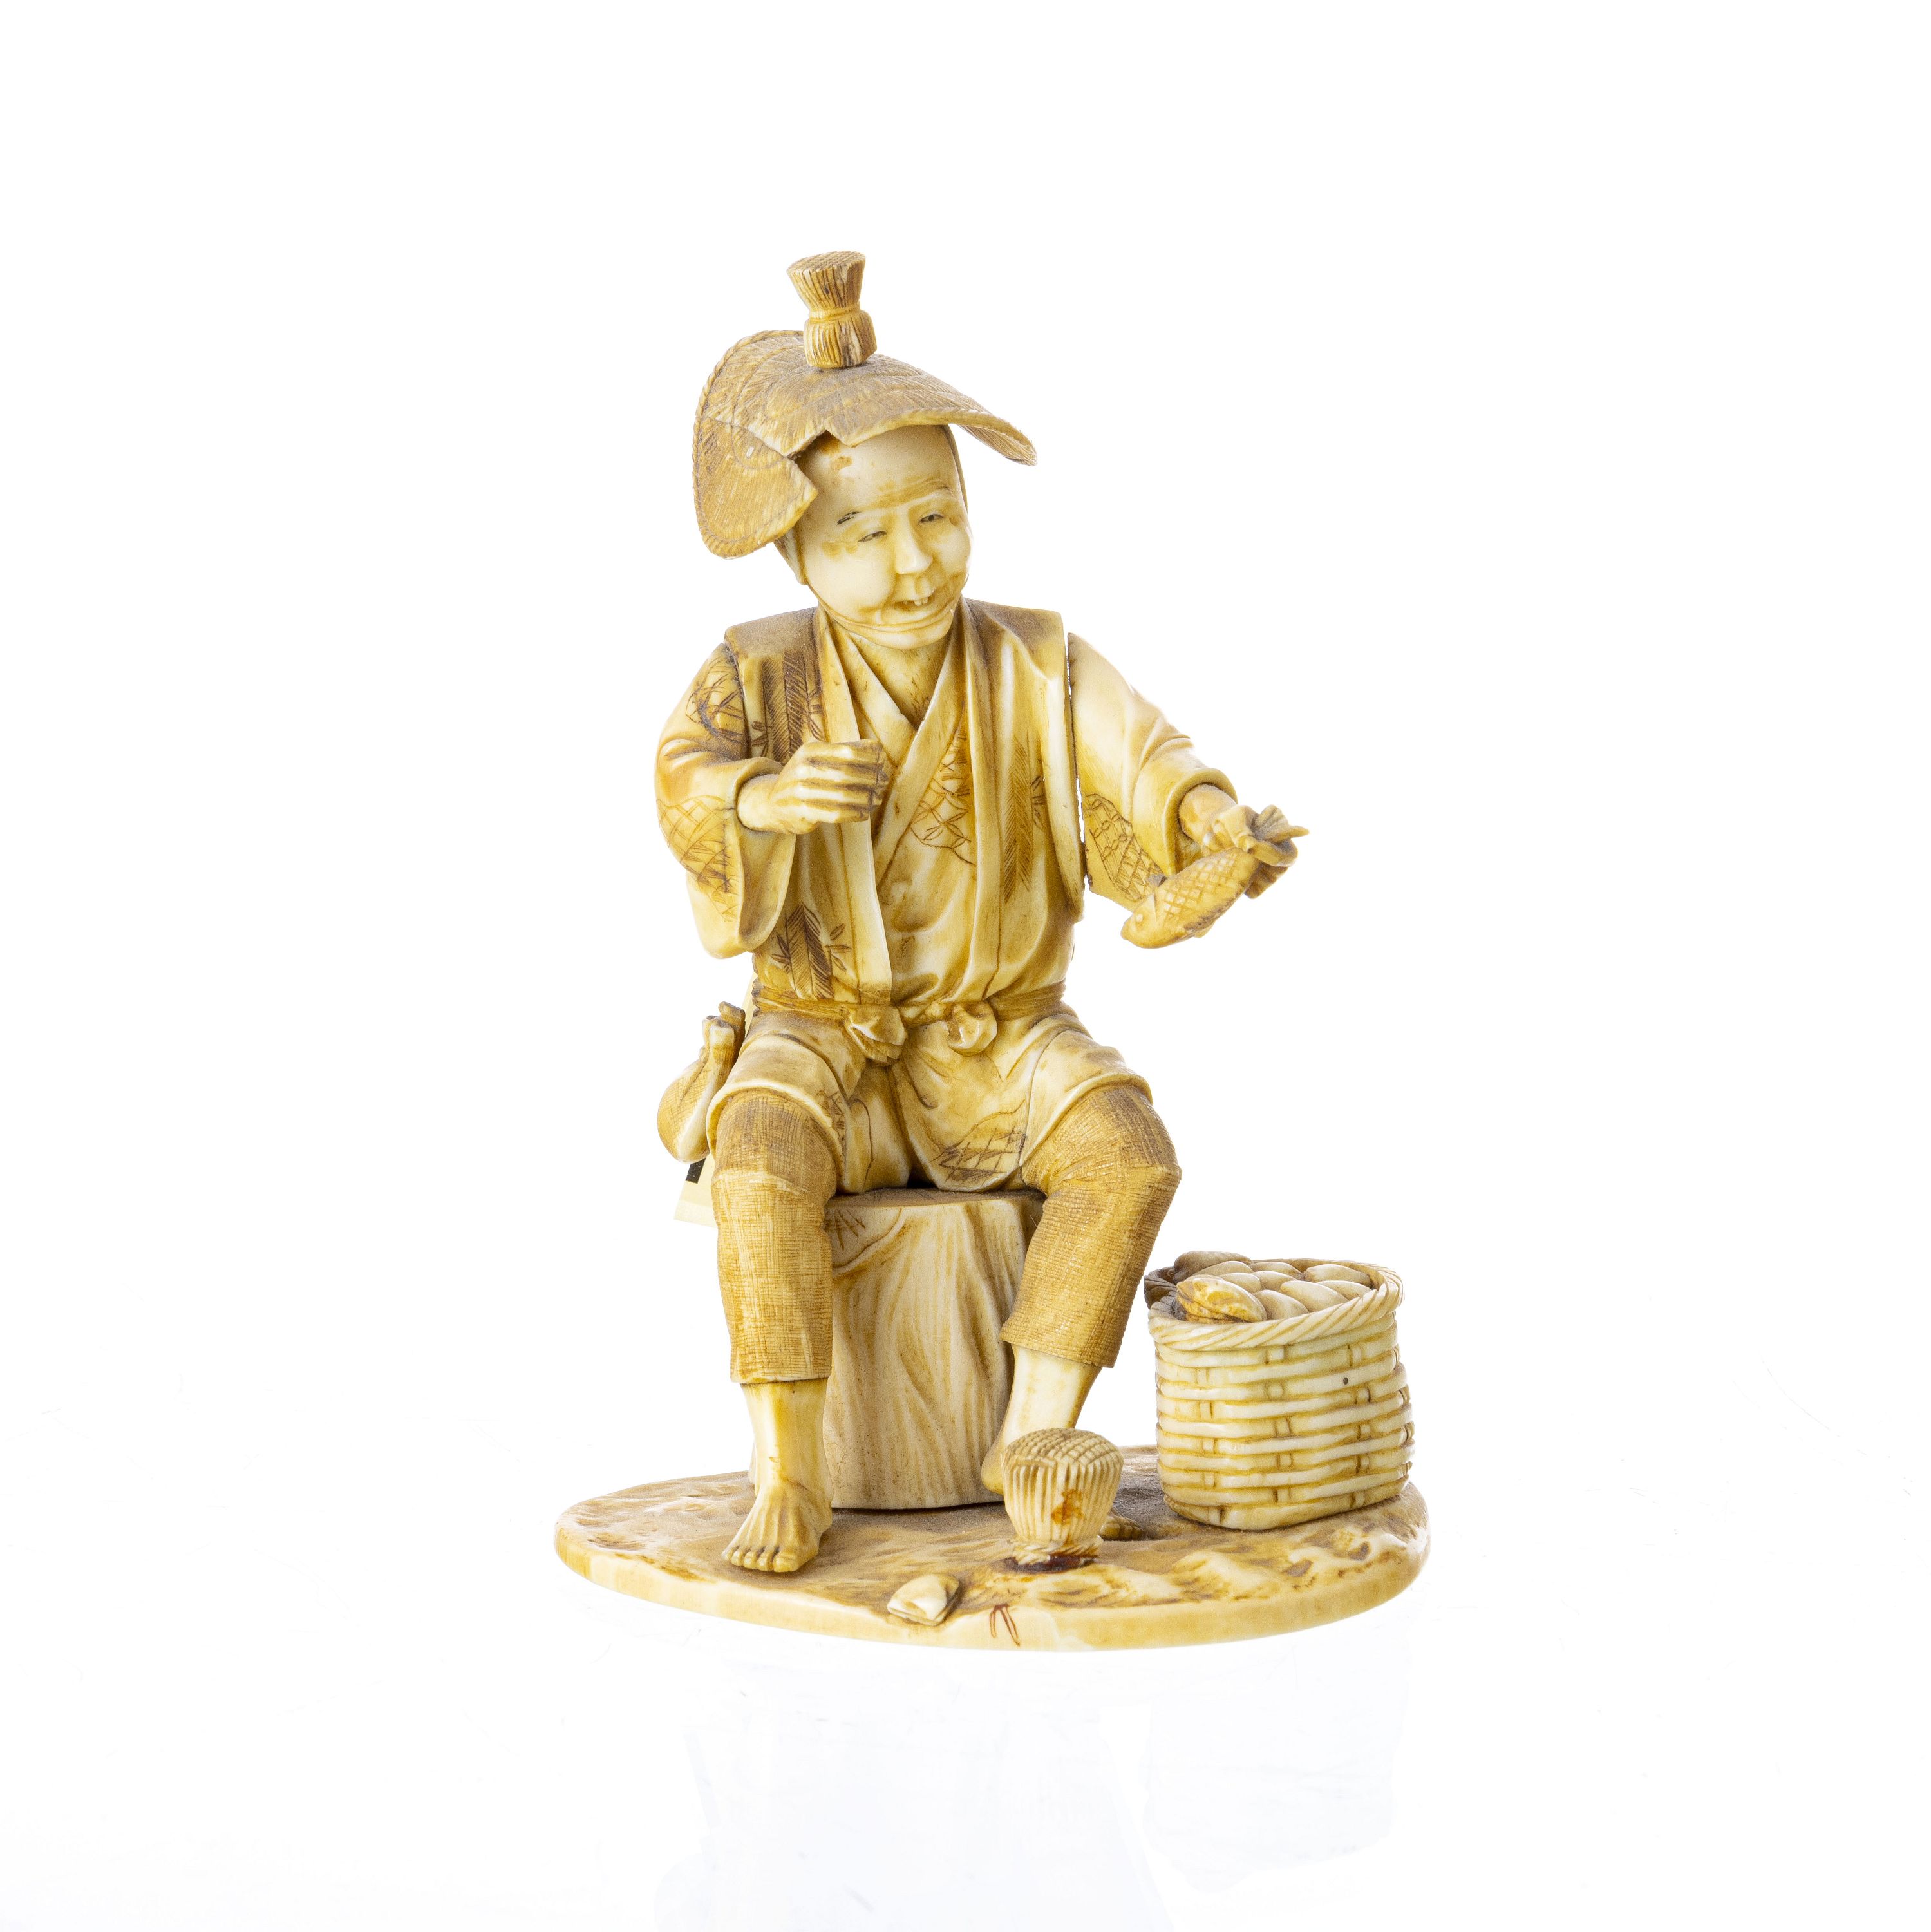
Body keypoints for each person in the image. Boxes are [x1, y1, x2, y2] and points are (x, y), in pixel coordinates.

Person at [657, 252, 1299, 1572]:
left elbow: (1147, 755)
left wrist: (1207, 827)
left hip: (1002, 1034)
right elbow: (683, 779)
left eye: (938, 518)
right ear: (795, 549)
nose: (913, 565)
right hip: (821, 1029)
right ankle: (790, 1467)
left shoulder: (1034, 659)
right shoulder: (756, 674)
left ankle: (1032, 1436)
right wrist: (763, 799)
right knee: (761, 1159)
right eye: (863, 536)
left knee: (1128, 1154)